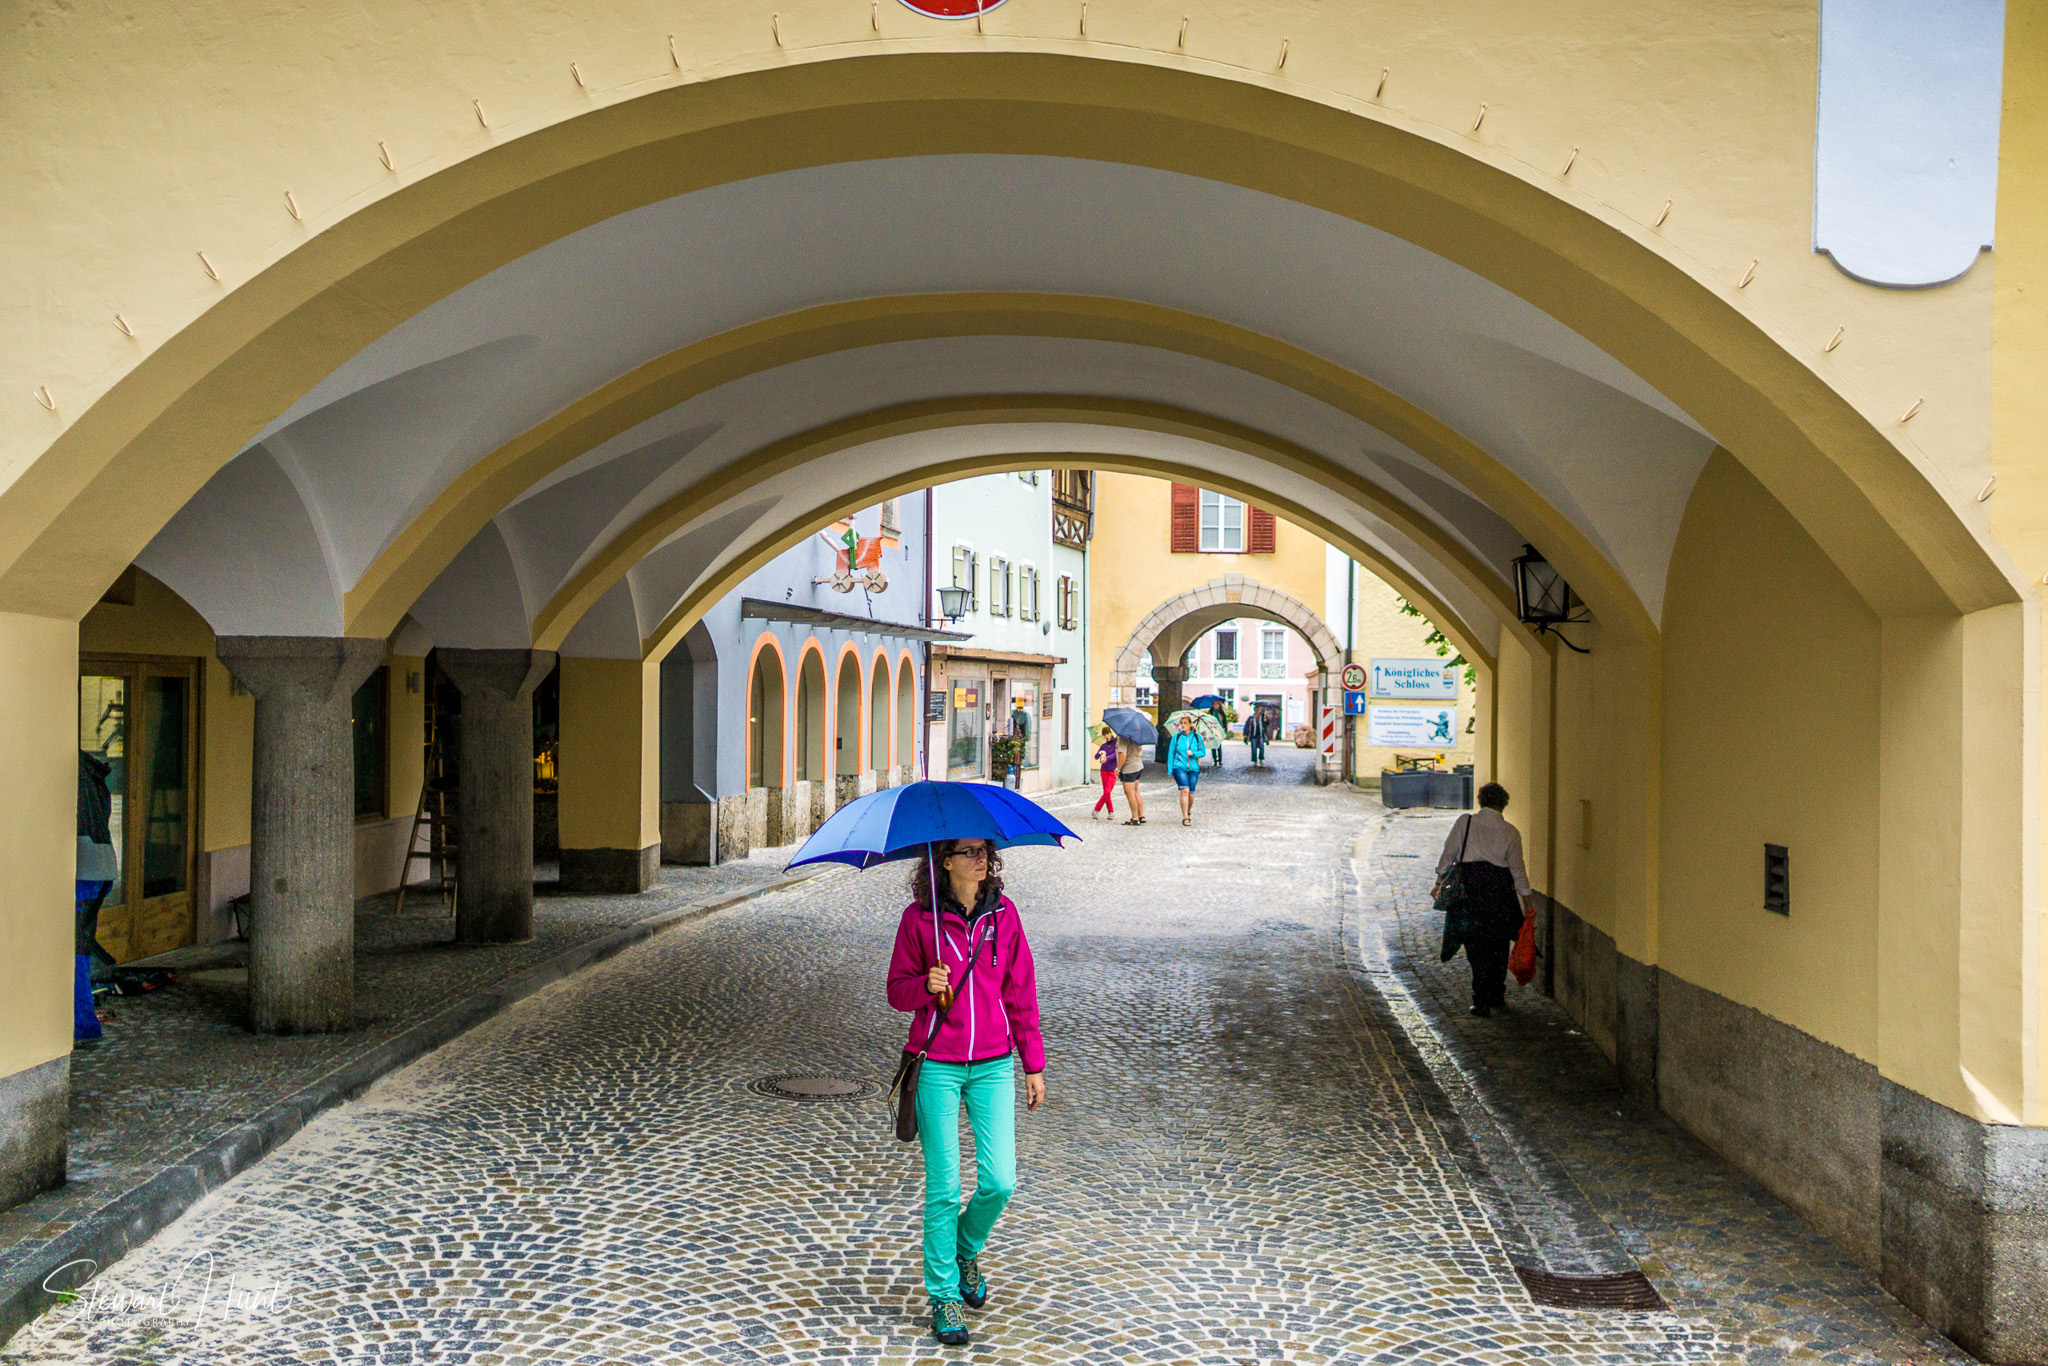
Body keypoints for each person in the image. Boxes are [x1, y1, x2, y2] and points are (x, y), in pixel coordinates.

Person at [887, 838, 1046, 1347]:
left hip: (994, 1064)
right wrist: (925, 986)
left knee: (1001, 1180)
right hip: (937, 1064)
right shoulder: (919, 921)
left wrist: (1032, 1064)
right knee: (945, 1187)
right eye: (967, 851)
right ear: (945, 861)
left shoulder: (1004, 916)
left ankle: (963, 1247)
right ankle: (944, 1294)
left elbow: (1020, 989)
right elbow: (896, 991)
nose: (980, 858)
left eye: (984, 850)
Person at [1434, 782, 1536, 1017]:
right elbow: (1518, 872)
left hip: (1470, 892)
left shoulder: (1465, 822)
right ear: (1504, 804)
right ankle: (1497, 993)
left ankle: (1480, 1000)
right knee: (1498, 945)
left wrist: (1439, 882)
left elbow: (1448, 853)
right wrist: (1528, 903)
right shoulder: (1511, 832)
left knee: (1475, 946)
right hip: (1499, 893)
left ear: (1481, 800)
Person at [1167, 715, 1207, 826]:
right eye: (1181, 723)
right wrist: (1170, 770)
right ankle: (1185, 817)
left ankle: (1188, 811)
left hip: (1193, 768)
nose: (1183, 725)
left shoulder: (1198, 738)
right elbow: (1171, 754)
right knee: (1185, 790)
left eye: (1185, 723)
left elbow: (1203, 752)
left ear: (1190, 724)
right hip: (1179, 766)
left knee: (1191, 794)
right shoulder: (1177, 737)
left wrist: (1193, 753)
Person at [1117, 737, 1147, 825]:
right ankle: (1141, 816)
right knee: (1136, 791)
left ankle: (1135, 818)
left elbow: (1123, 754)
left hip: (1129, 768)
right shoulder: (1135, 736)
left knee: (1130, 793)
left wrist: (1117, 768)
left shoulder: (1123, 738)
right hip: (1138, 765)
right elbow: (1140, 748)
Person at [1091, 727, 1120, 819]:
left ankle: (1096, 809)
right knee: (1106, 793)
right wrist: (1100, 753)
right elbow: (1096, 757)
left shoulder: (1117, 744)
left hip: (1112, 771)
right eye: (1104, 735)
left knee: (1107, 792)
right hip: (1104, 771)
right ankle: (1111, 812)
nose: (1106, 736)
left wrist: (1107, 757)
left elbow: (1115, 755)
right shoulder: (1103, 745)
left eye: (1107, 734)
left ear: (1111, 733)